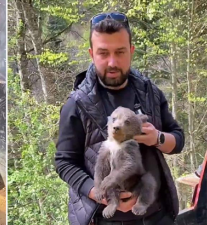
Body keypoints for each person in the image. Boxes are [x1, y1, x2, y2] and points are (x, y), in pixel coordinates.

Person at [55, 12, 185, 225]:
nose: (112, 62)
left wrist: (157, 138)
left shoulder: (150, 93)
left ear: (131, 51)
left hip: (156, 214)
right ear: (91, 54)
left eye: (120, 52)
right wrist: (99, 192)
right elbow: (64, 163)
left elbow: (178, 140)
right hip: (103, 218)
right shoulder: (77, 104)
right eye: (103, 53)